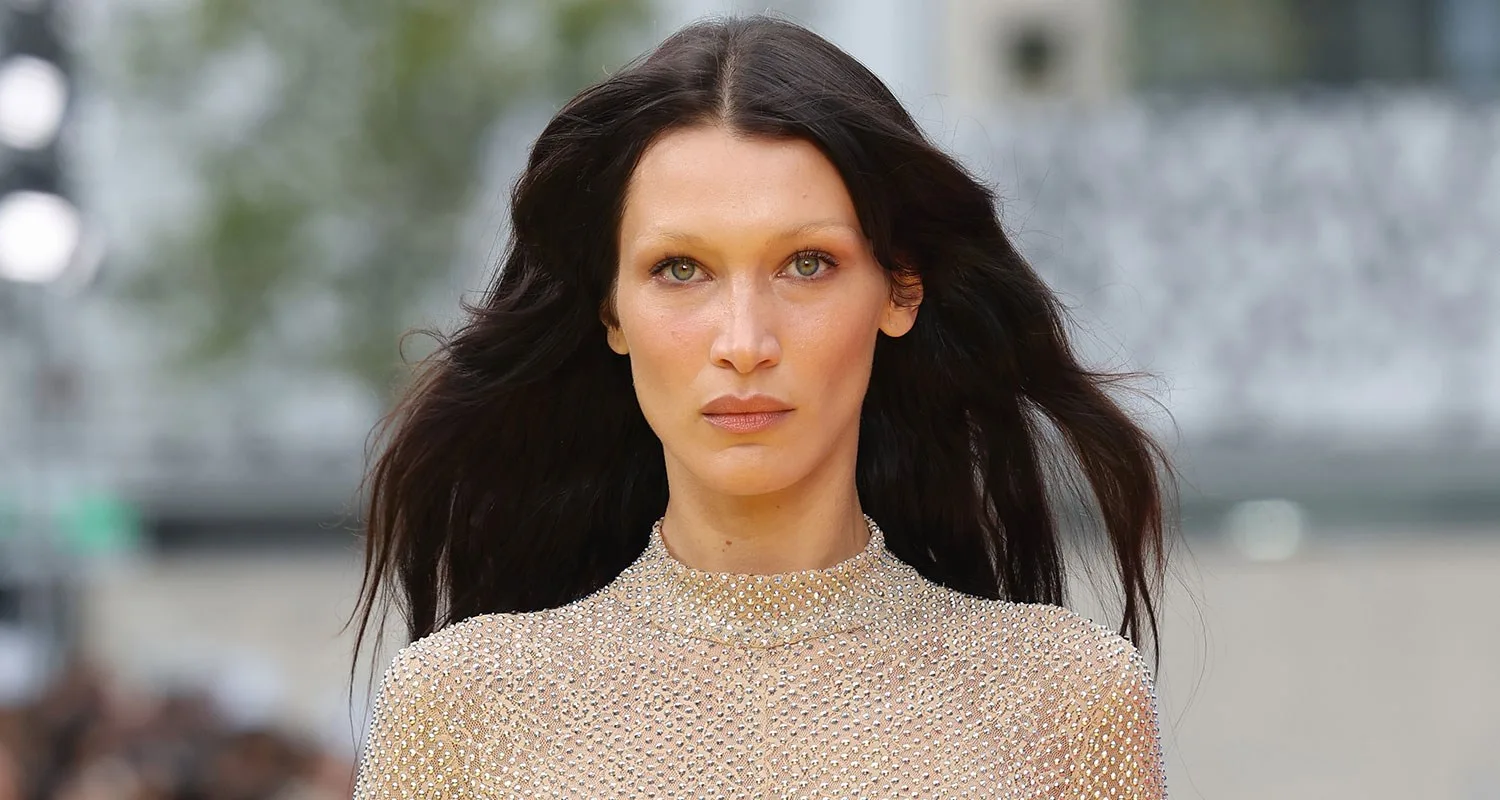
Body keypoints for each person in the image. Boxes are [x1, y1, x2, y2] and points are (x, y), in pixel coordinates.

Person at [348, 13, 1176, 799]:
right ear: (610, 311)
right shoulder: (460, 706)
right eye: (681, 269)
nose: (744, 340)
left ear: (900, 289)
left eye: (806, 263)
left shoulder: (1066, 699)